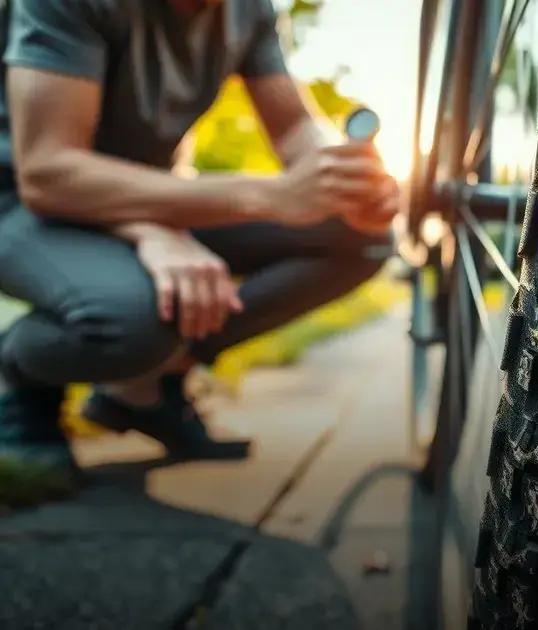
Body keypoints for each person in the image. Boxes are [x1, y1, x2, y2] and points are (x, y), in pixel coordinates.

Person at [0, 0, 400, 502]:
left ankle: (147, 386)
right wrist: (255, 199)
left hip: (149, 198)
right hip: (25, 208)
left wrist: (343, 186)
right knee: (134, 320)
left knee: (360, 241)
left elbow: (296, 131)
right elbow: (48, 172)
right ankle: (21, 375)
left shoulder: (247, 10)